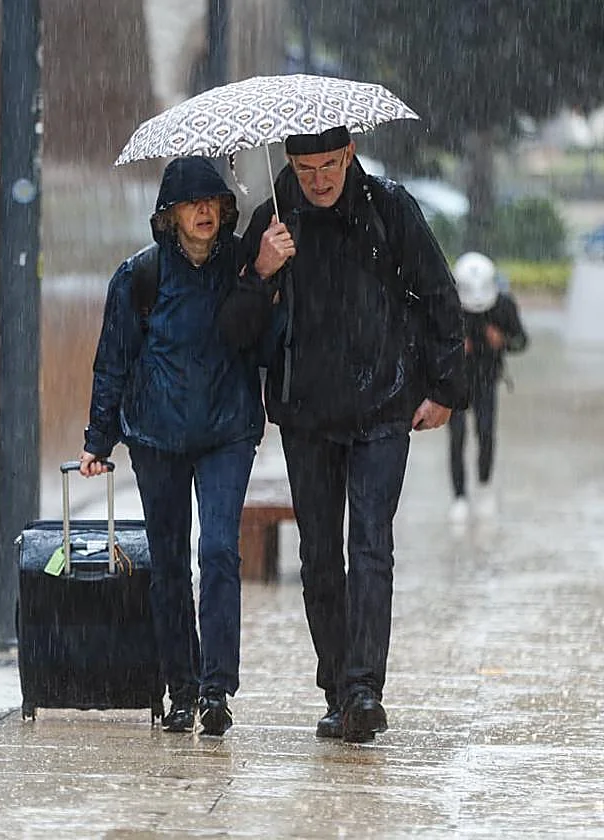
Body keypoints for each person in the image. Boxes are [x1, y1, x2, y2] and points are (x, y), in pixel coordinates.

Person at [229, 125, 468, 743]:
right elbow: (236, 333)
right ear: (290, 164)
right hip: (307, 413)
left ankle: (364, 689)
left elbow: (442, 297)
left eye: (330, 165)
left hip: (385, 404)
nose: (320, 180)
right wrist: (261, 268)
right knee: (319, 557)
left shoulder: (391, 208)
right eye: (307, 170)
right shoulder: (273, 219)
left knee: (370, 546)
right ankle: (336, 685)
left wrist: (444, 388)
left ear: (350, 155)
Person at [78, 156, 276, 736]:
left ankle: (217, 689)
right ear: (169, 215)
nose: (205, 212)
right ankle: (180, 688)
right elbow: (112, 361)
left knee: (218, 551)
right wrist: (98, 438)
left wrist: (265, 273)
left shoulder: (245, 263)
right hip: (156, 436)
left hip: (228, 433)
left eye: (213, 202)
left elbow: (264, 335)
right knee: (168, 563)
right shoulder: (138, 277)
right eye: (192, 203)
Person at [447, 251, 528, 523]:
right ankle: (459, 496)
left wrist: (502, 340)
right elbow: (429, 342)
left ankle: (483, 487)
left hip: (487, 379)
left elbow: (522, 341)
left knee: (486, 432)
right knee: (456, 437)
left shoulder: (503, 305)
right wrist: (456, 346)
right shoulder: (448, 304)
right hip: (456, 380)